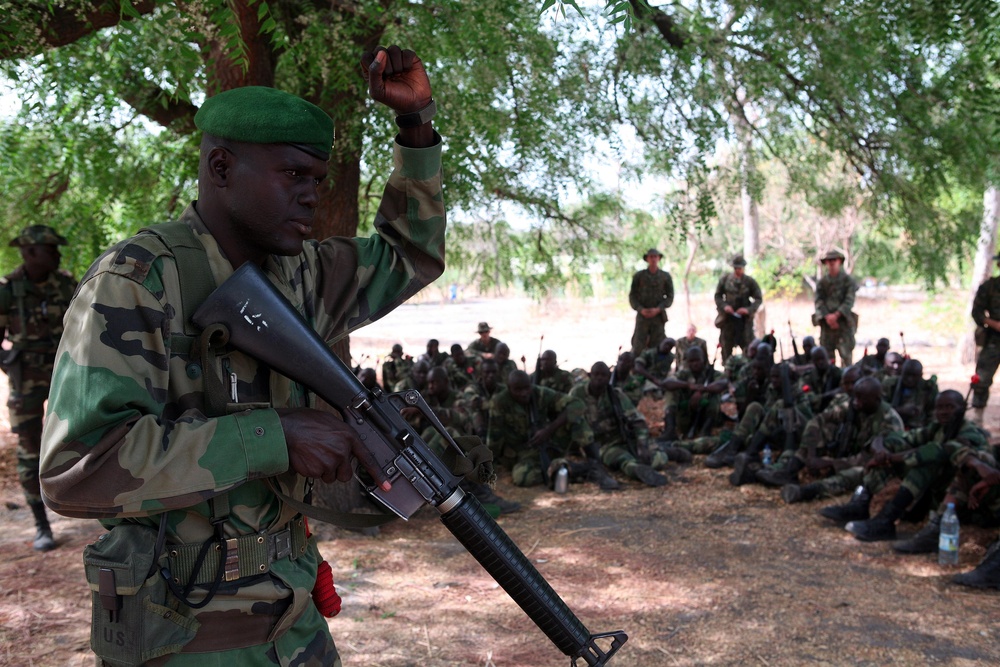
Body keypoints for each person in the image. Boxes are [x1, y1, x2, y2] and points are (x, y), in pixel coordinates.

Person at [40, 46, 445, 665]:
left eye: (317, 180)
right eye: (293, 177)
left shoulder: (303, 273)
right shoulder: (136, 283)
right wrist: (272, 435)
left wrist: (415, 125)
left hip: (295, 623)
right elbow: (76, 471)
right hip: (182, 635)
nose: (312, 196)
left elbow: (408, 255)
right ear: (222, 168)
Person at [0, 224, 77, 552]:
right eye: (51, 248)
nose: (58, 254)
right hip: (27, 377)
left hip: (66, 374)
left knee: (82, 438)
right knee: (30, 448)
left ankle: (96, 509)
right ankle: (41, 524)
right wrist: (11, 365)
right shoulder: (8, 290)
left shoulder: (66, 284)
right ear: (30, 253)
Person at [487, 370, 619, 491]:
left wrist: (548, 430)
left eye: (527, 388)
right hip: (524, 451)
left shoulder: (540, 393)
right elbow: (494, 437)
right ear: (509, 388)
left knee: (575, 418)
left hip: (549, 441)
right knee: (522, 477)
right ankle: (574, 469)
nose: (524, 393)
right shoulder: (499, 403)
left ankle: (597, 466)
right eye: (518, 390)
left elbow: (577, 405)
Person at [569, 362, 668, 487]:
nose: (600, 378)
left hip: (621, 438)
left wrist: (642, 445)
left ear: (609, 377)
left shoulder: (615, 395)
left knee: (657, 459)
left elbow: (637, 420)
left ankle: (669, 451)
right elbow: (571, 422)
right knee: (623, 460)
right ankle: (637, 471)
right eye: (596, 374)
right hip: (600, 445)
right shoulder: (577, 394)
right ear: (590, 375)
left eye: (604, 375)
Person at [661, 346, 727, 441]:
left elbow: (723, 383)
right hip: (686, 416)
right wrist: (688, 385)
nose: (695, 364)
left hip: (706, 416)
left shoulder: (712, 373)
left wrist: (703, 389)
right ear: (687, 362)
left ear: (703, 360)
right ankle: (670, 430)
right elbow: (667, 383)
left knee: (715, 395)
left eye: (697, 360)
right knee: (671, 392)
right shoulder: (683, 374)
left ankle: (705, 431)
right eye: (691, 361)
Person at [813, 249, 859, 366]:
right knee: (827, 361)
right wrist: (828, 317)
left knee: (846, 360)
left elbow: (849, 300)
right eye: (829, 260)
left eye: (834, 260)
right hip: (826, 326)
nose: (831, 263)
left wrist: (837, 315)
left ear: (839, 261)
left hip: (843, 324)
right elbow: (818, 302)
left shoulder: (848, 281)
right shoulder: (822, 282)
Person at [714, 254, 762, 363]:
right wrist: (725, 306)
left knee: (748, 346)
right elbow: (717, 296)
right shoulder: (725, 280)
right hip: (728, 320)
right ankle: (727, 370)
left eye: (740, 268)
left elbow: (758, 299)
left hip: (744, 321)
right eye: (736, 268)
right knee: (726, 347)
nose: (738, 270)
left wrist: (748, 310)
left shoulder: (749, 282)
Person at [970, 251, 1000, 425]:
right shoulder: (989, 287)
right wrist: (993, 323)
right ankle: (977, 418)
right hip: (994, 340)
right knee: (982, 379)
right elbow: (977, 312)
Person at [629, 248, 674, 355]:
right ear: (647, 259)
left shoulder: (665, 276)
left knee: (658, 344)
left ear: (659, 258)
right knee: (638, 344)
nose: (653, 259)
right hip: (642, 316)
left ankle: (656, 369)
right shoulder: (639, 276)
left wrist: (658, 309)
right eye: (651, 257)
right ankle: (637, 367)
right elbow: (632, 296)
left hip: (658, 317)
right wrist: (640, 309)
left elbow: (670, 297)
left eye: (655, 256)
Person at [882, 358, 938, 430]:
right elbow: (881, 409)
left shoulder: (928, 388)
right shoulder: (890, 385)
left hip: (919, 429)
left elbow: (934, 413)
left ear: (920, 375)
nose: (909, 379)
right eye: (907, 375)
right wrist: (900, 410)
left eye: (914, 376)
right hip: (892, 426)